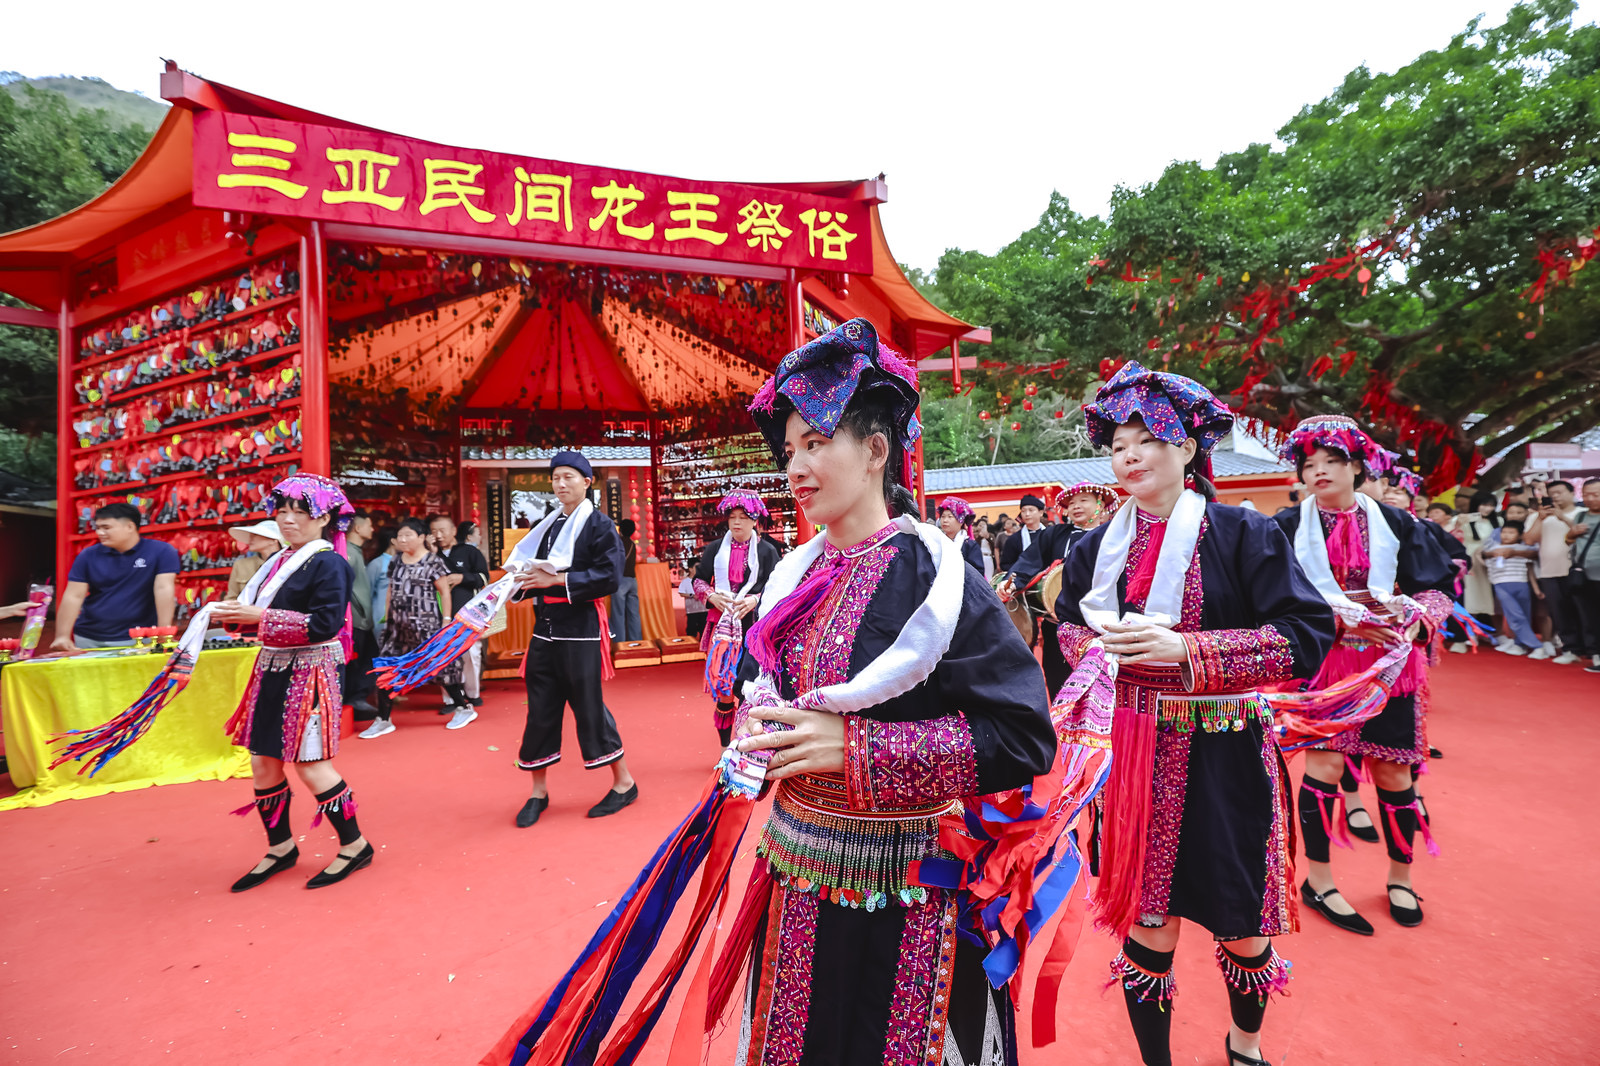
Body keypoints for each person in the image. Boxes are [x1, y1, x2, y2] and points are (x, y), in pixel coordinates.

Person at [730, 318, 1054, 1063]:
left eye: (816, 443)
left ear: (876, 451)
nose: (796, 467)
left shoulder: (938, 578)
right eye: (790, 450)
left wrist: (857, 747)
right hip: (793, 873)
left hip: (907, 887)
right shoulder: (797, 576)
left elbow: (1023, 737)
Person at [1048, 364, 1332, 1066]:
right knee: (1149, 922)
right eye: (1118, 445)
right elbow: (1065, 628)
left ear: (1189, 449)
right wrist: (1098, 650)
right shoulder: (1092, 548)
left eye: (1149, 438)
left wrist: (1188, 648)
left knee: (1240, 922)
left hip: (1225, 754)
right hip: (1133, 752)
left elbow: (1306, 634)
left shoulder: (1242, 534)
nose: (1131, 455)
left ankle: (1245, 1044)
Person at [1274, 415, 1454, 936]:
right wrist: (1337, 618)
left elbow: (1436, 585)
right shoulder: (1285, 528)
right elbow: (1275, 597)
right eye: (1309, 465)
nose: (1319, 472)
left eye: (1331, 462)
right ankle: (1321, 880)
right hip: (1328, 663)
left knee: (1394, 775)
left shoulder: (1398, 523)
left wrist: (1416, 617)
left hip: (1389, 664)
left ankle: (1401, 876)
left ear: (1356, 467)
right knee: (1324, 769)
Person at [210, 474, 372, 892]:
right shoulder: (278, 562)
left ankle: (355, 845)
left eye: (300, 512)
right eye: (282, 511)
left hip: (310, 670)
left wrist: (259, 619)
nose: (288, 519)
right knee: (263, 762)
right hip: (272, 666)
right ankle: (280, 846)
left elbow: (325, 625)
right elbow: (255, 616)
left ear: (324, 520)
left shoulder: (328, 562)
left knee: (312, 765)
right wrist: (229, 615)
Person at [508, 451, 637, 827]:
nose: (561, 484)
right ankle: (538, 792)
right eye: (556, 478)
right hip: (545, 627)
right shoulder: (546, 527)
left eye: (569, 477)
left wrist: (556, 581)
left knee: (589, 706)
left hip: (580, 629)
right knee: (540, 707)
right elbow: (533, 573)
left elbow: (609, 577)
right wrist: (516, 586)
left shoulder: (600, 525)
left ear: (586, 481)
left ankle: (624, 783)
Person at [1006, 481, 1120, 695]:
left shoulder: (1115, 535)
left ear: (1101, 504)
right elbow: (1029, 562)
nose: (1076, 506)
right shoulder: (1055, 534)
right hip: (1058, 625)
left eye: (1083, 500)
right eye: (1071, 503)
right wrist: (1012, 582)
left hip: (1102, 625)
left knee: (1101, 684)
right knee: (1059, 682)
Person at [359, 518, 469, 737]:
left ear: (421, 538)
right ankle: (383, 719)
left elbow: (444, 591)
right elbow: (392, 589)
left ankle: (463, 707)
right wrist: (387, 617)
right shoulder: (396, 560)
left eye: (408, 535)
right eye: (400, 536)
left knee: (440, 667)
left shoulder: (432, 561)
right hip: (397, 626)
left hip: (427, 624)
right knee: (387, 667)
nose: (402, 539)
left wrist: (446, 620)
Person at [692, 491, 781, 745]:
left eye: (743, 517)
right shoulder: (714, 550)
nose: (737, 523)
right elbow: (697, 580)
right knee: (723, 687)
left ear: (755, 521)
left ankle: (744, 742)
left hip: (753, 625)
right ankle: (723, 746)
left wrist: (756, 599)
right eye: (733, 517)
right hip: (723, 624)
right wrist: (710, 595)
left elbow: (779, 585)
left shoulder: (767, 551)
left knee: (747, 685)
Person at [53, 503, 180, 651]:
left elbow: (164, 589)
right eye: (98, 528)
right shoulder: (88, 555)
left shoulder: (161, 551)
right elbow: (73, 596)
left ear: (130, 527)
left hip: (139, 638)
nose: (100, 533)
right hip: (89, 638)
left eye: (106, 528)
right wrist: (62, 635)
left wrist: (163, 631)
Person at [429, 514, 490, 716]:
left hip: (468, 613)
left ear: (454, 531)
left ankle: (473, 693)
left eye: (442, 530)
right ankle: (450, 698)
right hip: (439, 613)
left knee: (471, 654)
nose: (438, 535)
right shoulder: (430, 555)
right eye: (434, 531)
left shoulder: (469, 552)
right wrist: (431, 552)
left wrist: (462, 577)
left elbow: (483, 577)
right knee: (443, 654)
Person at [1525, 479, 1585, 662]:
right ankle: (1570, 650)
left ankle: (1592, 649)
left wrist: (1563, 517)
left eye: (1560, 492)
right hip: (1549, 570)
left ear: (1572, 492)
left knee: (1584, 611)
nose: (1556, 496)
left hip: (1579, 569)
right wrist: (1541, 519)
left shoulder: (1582, 513)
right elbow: (1529, 540)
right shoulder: (1537, 516)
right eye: (1552, 494)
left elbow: (1583, 534)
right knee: (1560, 611)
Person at [1481, 520, 1545, 656]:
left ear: (1520, 535)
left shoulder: (1524, 548)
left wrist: (1535, 589)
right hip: (1501, 585)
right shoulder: (1492, 548)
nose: (1506, 535)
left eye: (1511, 533)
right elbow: (1484, 559)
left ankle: (1519, 644)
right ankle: (1537, 646)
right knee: (1515, 616)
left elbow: (1531, 565)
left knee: (1524, 615)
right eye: (1504, 532)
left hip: (1521, 584)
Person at [343, 510, 379, 716]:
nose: (372, 529)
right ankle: (355, 700)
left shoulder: (355, 551)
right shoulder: (348, 552)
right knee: (360, 661)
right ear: (357, 527)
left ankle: (357, 699)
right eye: (369, 524)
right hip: (355, 620)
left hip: (361, 619)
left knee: (367, 658)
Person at [1565, 479, 1600, 673]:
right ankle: (1596, 656)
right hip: (1583, 576)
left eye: (1596, 494)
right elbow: (1569, 541)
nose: (1590, 499)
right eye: (1586, 494)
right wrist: (1571, 534)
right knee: (1590, 618)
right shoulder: (1580, 517)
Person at [225, 520, 284, 599]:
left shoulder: (289, 564)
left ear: (273, 541)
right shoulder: (241, 565)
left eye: (255, 535)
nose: (250, 538)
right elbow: (231, 598)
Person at [934, 494, 986, 571]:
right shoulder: (936, 542)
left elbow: (977, 572)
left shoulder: (969, 545)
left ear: (961, 521)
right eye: (943, 516)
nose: (945, 520)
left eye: (950, 517)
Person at [366, 524, 397, 649]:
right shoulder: (377, 564)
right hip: (381, 618)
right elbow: (368, 592)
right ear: (393, 541)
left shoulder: (405, 561)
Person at [998, 493, 1047, 571]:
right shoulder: (1014, 539)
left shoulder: (1050, 535)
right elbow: (1005, 564)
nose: (1027, 514)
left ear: (1040, 512)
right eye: (1023, 511)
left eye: (1031, 510)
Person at [613, 518, 643, 642]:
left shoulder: (617, 543)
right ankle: (636, 641)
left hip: (620, 582)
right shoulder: (632, 544)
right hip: (632, 581)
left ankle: (620, 643)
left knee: (618, 615)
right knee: (634, 614)